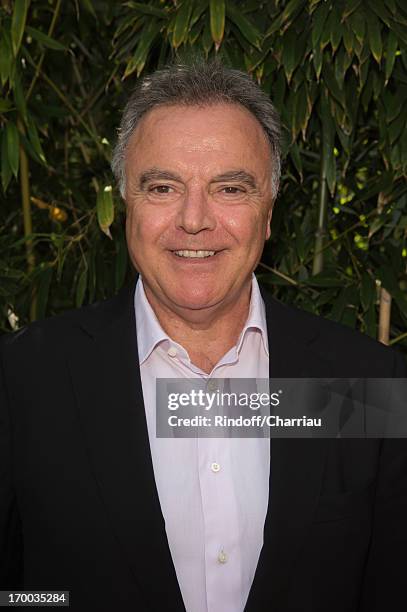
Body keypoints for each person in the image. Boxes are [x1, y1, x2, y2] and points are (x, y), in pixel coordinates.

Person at [0, 61, 406, 612]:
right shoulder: (25, 381)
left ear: (269, 214)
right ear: (127, 205)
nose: (194, 220)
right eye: (163, 186)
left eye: (230, 188)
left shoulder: (363, 384)